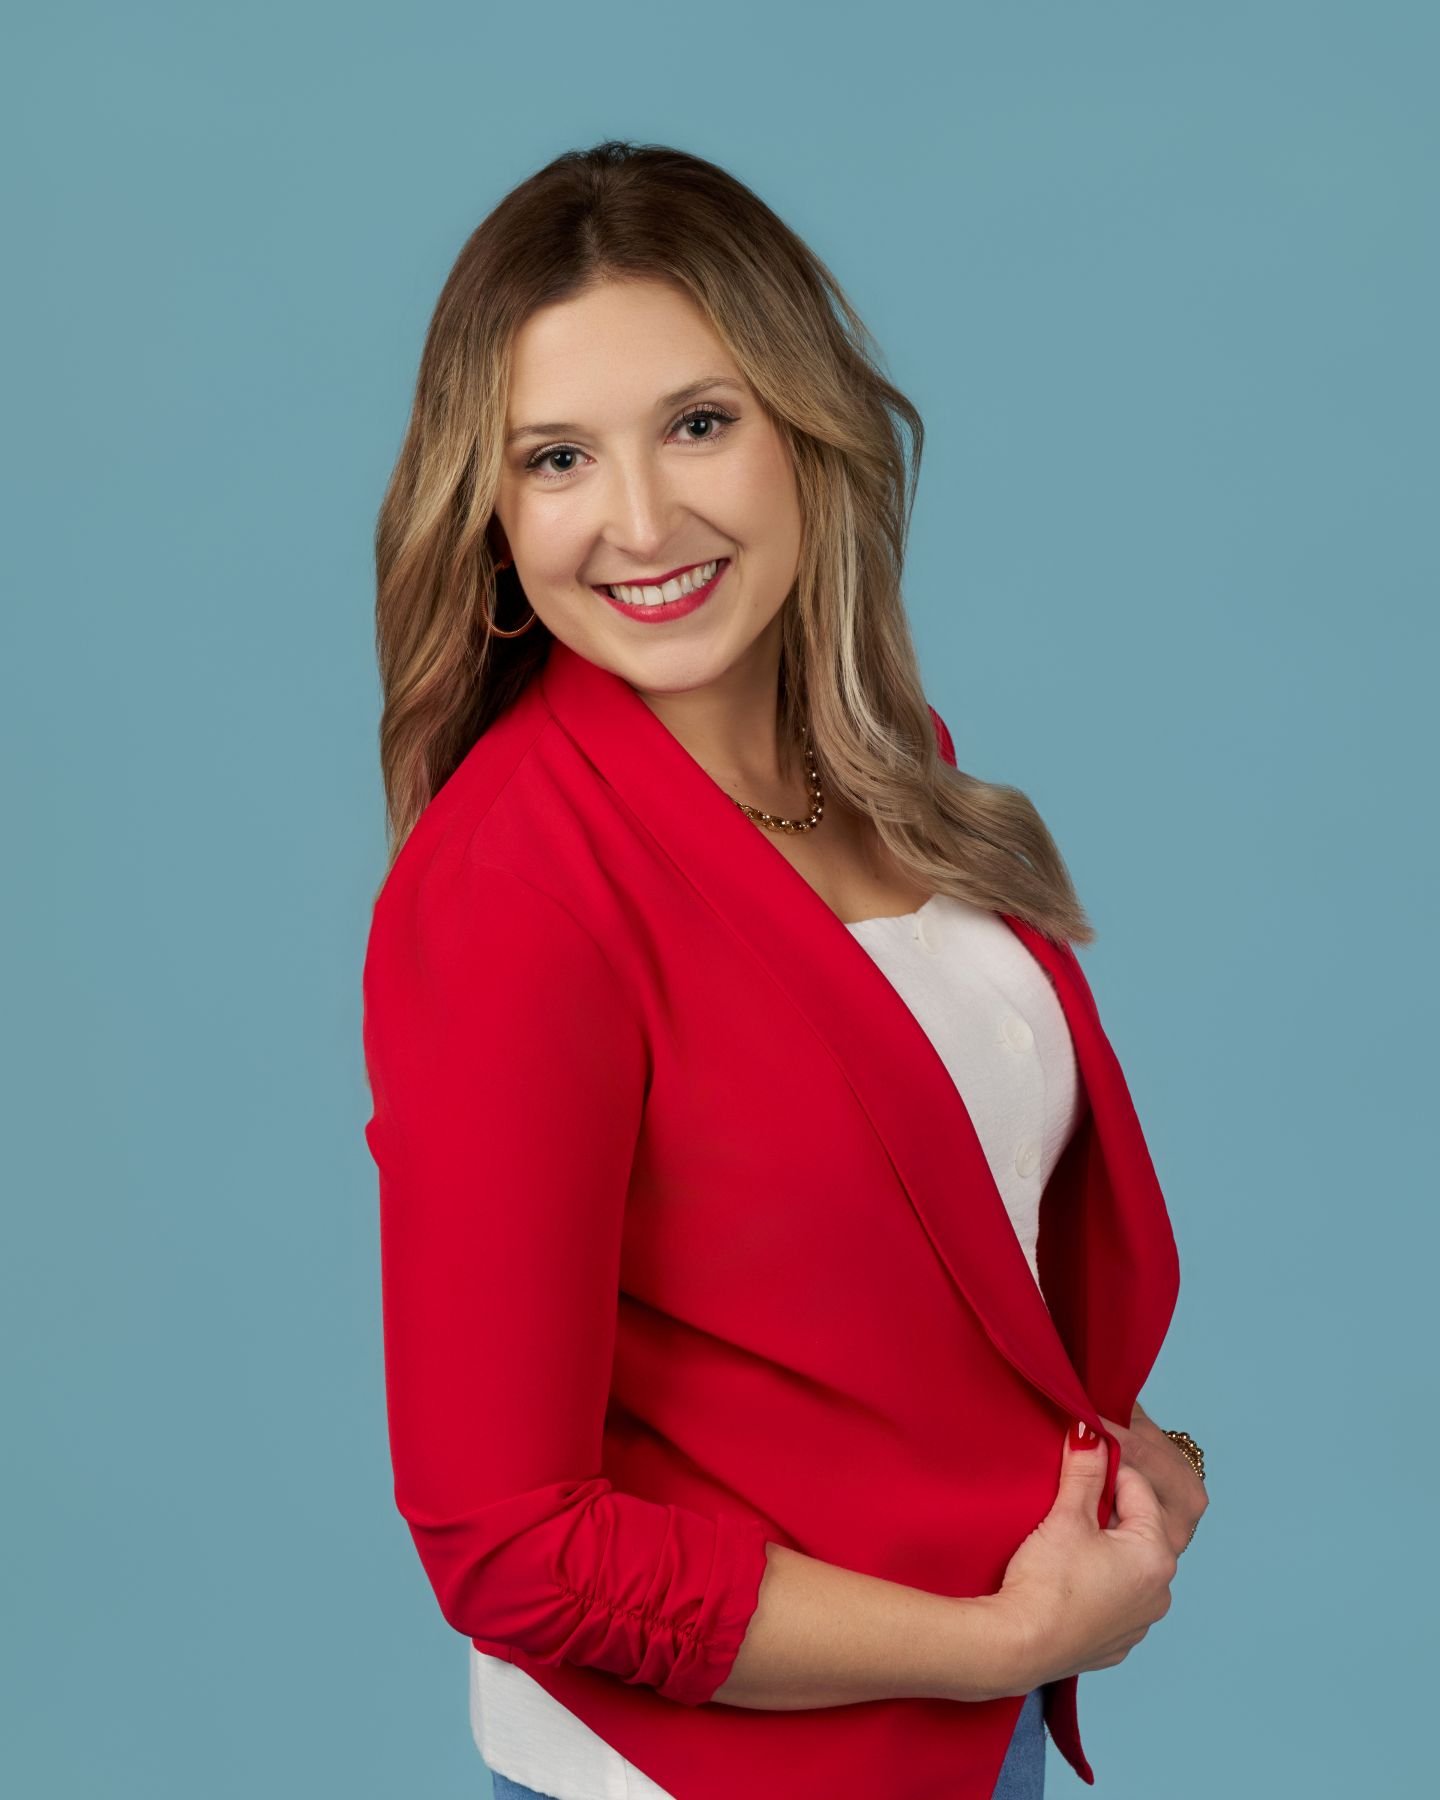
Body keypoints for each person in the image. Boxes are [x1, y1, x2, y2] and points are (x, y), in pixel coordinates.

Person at [360, 139, 1208, 1800]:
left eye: (697, 422)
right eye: (554, 459)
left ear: (802, 430)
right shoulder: (516, 891)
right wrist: (1002, 1639)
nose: (641, 520)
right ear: (489, 513)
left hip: (974, 1740)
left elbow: (920, 1271)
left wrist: (1120, 1459)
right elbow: (511, 1548)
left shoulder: (887, 771)